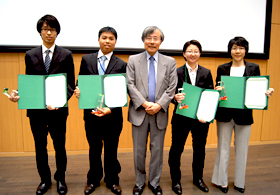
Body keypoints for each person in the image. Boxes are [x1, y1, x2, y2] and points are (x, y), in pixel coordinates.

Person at [8, 14, 75, 195]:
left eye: (52, 29)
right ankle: (44, 180)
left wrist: (59, 101)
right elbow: (30, 84)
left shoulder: (66, 54)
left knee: (59, 146)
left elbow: (70, 85)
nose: (48, 33)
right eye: (45, 29)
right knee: (40, 146)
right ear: (40, 32)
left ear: (57, 32)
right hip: (36, 111)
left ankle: (60, 178)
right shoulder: (30, 55)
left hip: (58, 111)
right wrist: (18, 94)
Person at [211, 36, 274, 193]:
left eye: (240, 48)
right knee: (222, 148)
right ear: (230, 51)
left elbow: (257, 89)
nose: (237, 51)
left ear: (245, 50)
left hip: (244, 116)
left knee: (242, 150)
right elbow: (218, 91)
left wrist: (265, 92)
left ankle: (240, 182)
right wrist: (217, 91)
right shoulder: (222, 68)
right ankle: (221, 181)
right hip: (224, 115)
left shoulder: (254, 67)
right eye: (234, 48)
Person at [74, 27, 126, 195]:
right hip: (92, 114)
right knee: (94, 149)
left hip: (113, 116)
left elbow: (123, 90)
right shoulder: (86, 59)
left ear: (115, 42)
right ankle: (93, 180)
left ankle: (112, 180)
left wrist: (110, 109)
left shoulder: (122, 64)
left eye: (111, 38)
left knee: (112, 149)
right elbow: (80, 81)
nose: (107, 41)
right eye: (104, 38)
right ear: (98, 40)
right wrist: (78, 90)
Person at [126, 26, 177, 195]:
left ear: (161, 41)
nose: (152, 41)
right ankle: (139, 182)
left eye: (156, 38)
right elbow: (130, 84)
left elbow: (172, 87)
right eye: (149, 38)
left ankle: (155, 182)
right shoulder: (133, 60)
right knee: (138, 152)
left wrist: (159, 105)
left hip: (159, 113)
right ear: (143, 40)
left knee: (157, 151)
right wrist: (144, 104)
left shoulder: (170, 62)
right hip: (140, 113)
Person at [168, 40, 213, 194]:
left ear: (199, 54)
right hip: (181, 117)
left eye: (196, 51)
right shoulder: (176, 72)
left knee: (200, 149)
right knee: (176, 149)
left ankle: (198, 179)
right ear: (184, 54)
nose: (192, 54)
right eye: (189, 51)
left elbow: (210, 95)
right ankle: (175, 180)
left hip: (200, 119)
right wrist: (175, 98)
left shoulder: (206, 72)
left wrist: (206, 114)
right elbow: (170, 94)